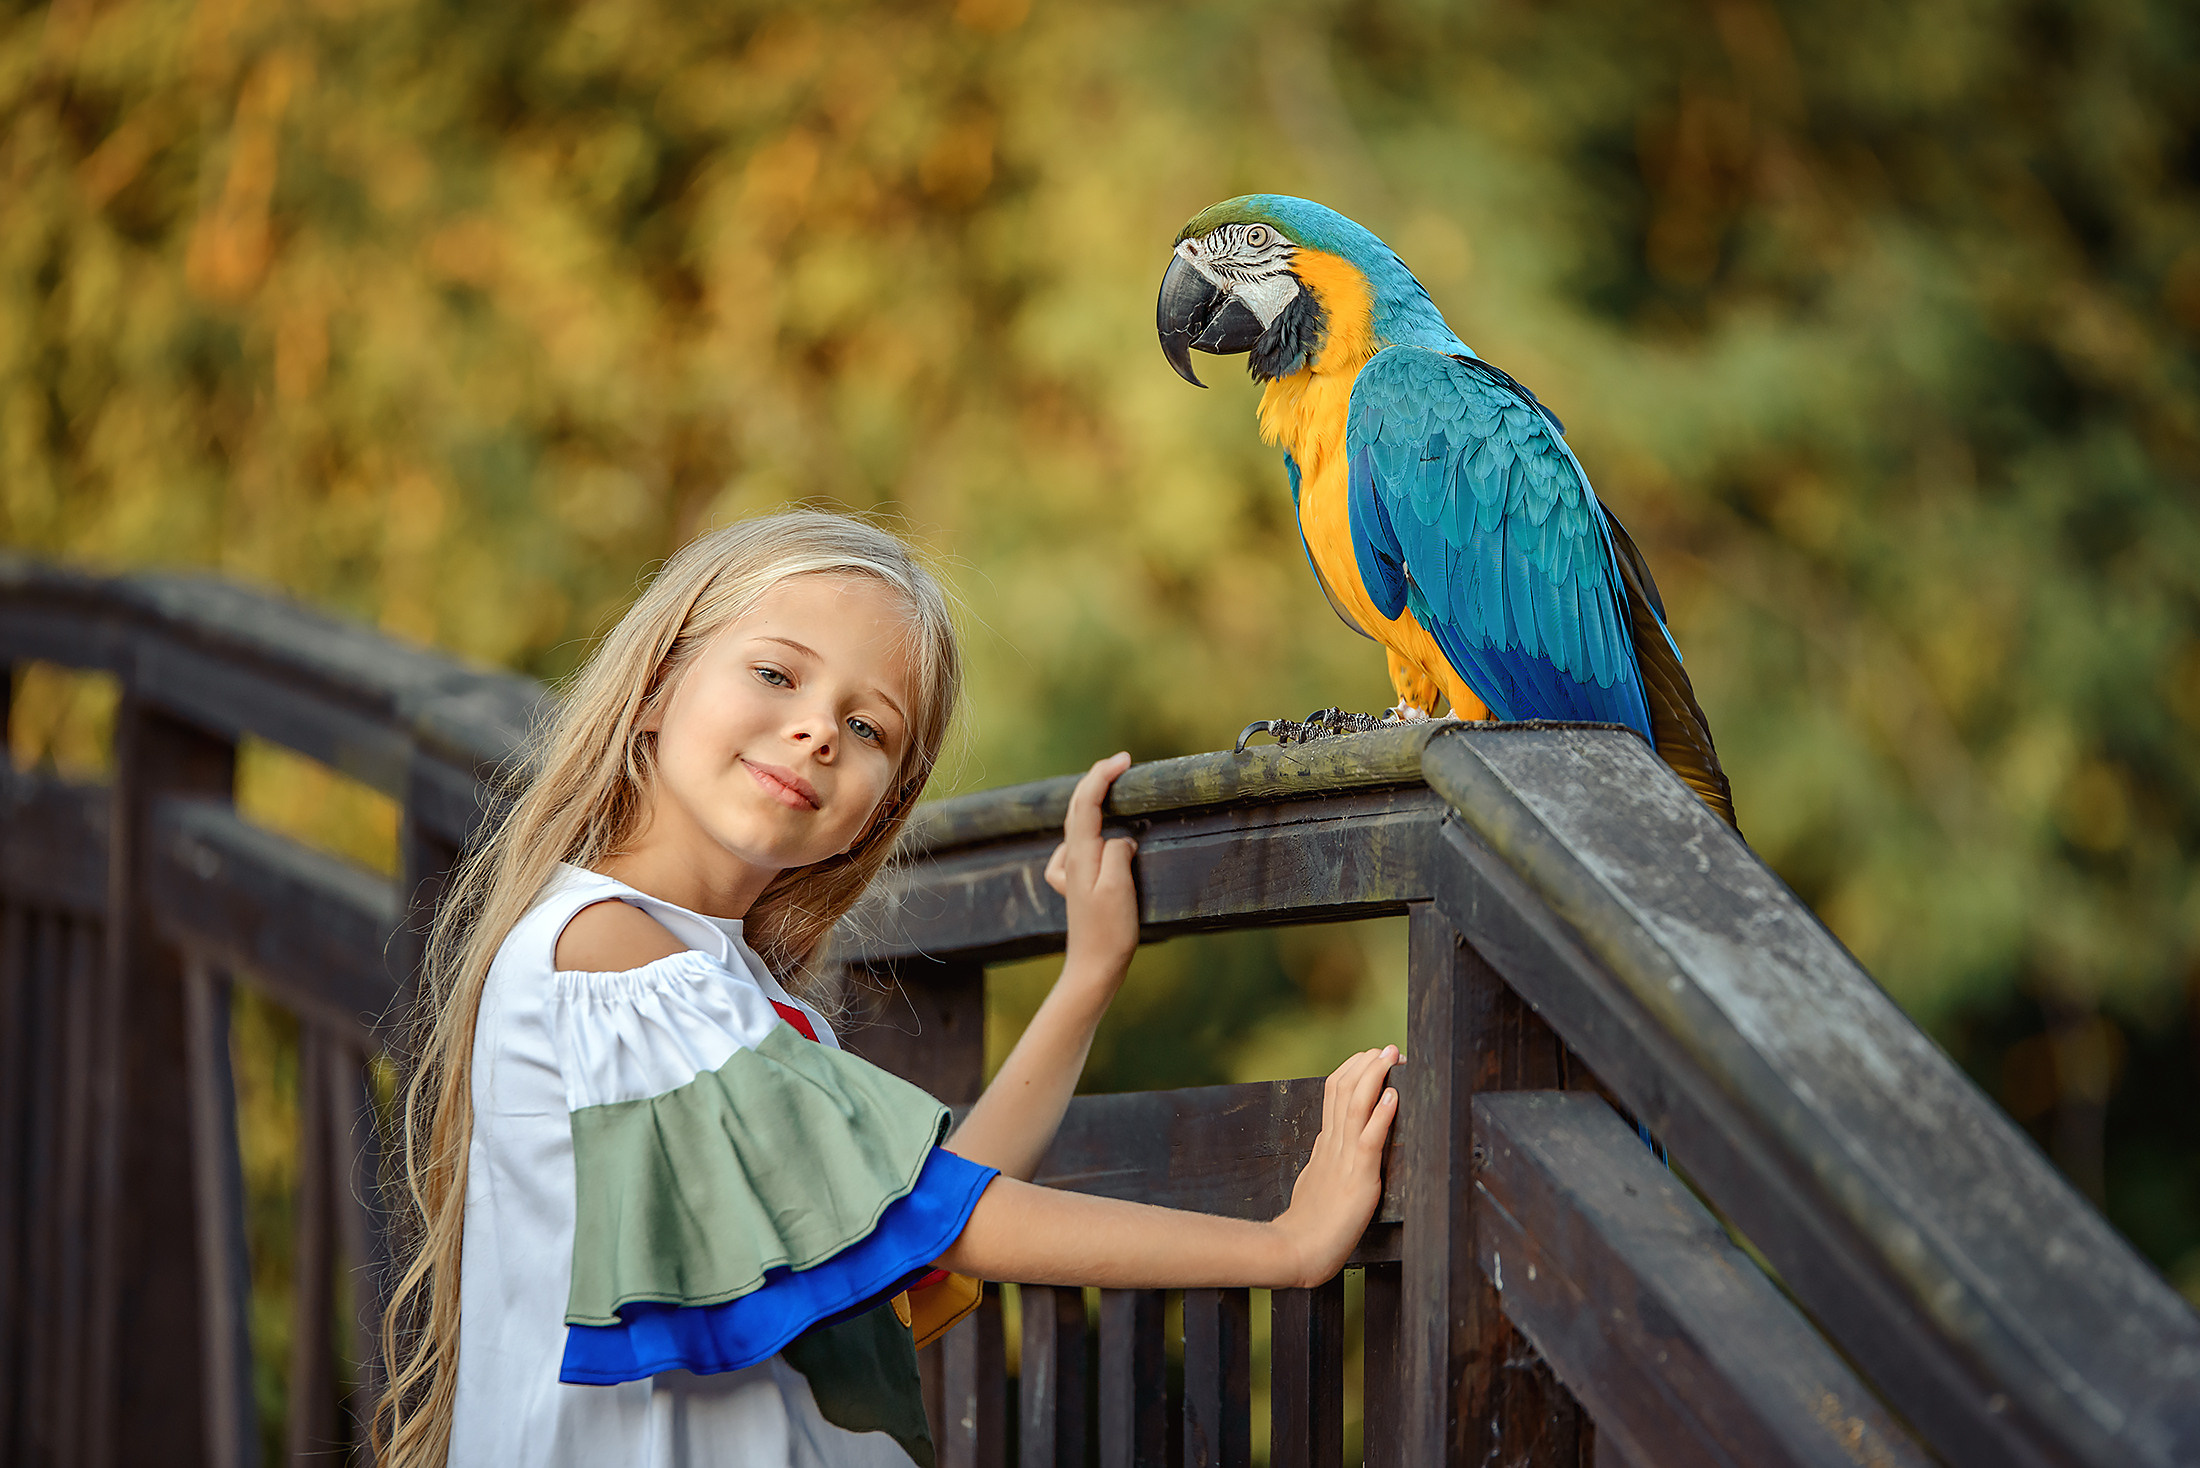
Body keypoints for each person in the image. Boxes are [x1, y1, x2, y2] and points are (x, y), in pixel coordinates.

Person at [374, 510, 1399, 1468]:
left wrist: (1087, 975)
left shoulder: (728, 988)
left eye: (869, 729)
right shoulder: (604, 957)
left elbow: (902, 1233)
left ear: (881, 809)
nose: (818, 731)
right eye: (776, 673)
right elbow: (932, 1213)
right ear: (654, 686)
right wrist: (1285, 1245)